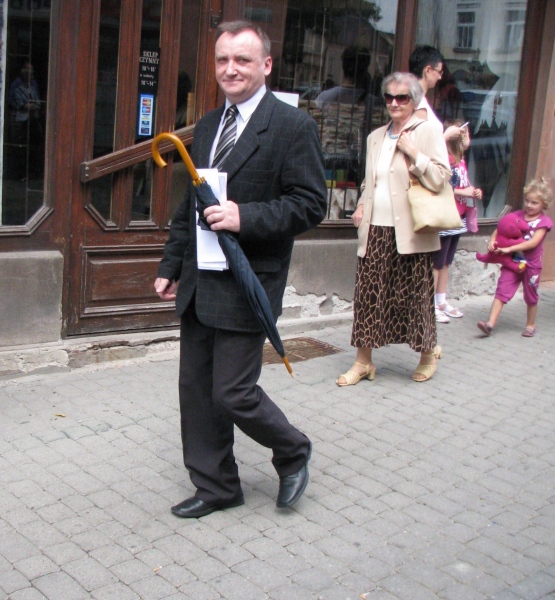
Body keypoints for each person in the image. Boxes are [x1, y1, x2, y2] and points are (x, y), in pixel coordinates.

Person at [154, 21, 327, 518]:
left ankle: (292, 449)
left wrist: (244, 216)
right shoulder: (209, 125)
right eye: (222, 60)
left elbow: (310, 204)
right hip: (200, 279)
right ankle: (217, 486)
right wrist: (171, 263)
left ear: (266, 65)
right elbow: (192, 201)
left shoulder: (293, 127)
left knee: (232, 392)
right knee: (196, 390)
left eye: (242, 60)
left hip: (249, 279)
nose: (230, 69)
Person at [336, 72, 451, 386]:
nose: (395, 103)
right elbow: (370, 181)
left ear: (414, 100)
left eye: (402, 97)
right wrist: (362, 204)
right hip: (375, 229)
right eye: (389, 97)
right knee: (368, 297)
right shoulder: (376, 136)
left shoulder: (427, 131)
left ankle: (427, 355)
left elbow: (442, 177)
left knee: (416, 296)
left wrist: (415, 153)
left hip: (411, 230)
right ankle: (363, 362)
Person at [477, 178, 553, 338]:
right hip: (512, 263)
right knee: (502, 290)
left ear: (544, 204)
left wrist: (509, 248)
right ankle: (490, 324)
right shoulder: (517, 215)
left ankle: (530, 325)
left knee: (530, 295)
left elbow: (532, 243)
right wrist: (492, 241)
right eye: (527, 201)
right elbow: (500, 229)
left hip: (531, 266)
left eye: (534, 203)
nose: (529, 205)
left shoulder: (544, 222)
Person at [434, 119, 483, 323]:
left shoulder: (461, 160)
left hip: (459, 217)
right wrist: (464, 192)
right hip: (446, 216)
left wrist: (474, 191)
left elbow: (463, 184)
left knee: (447, 261)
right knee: (437, 262)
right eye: (465, 134)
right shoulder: (446, 159)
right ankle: (430, 303)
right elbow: (443, 186)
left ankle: (441, 300)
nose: (468, 138)